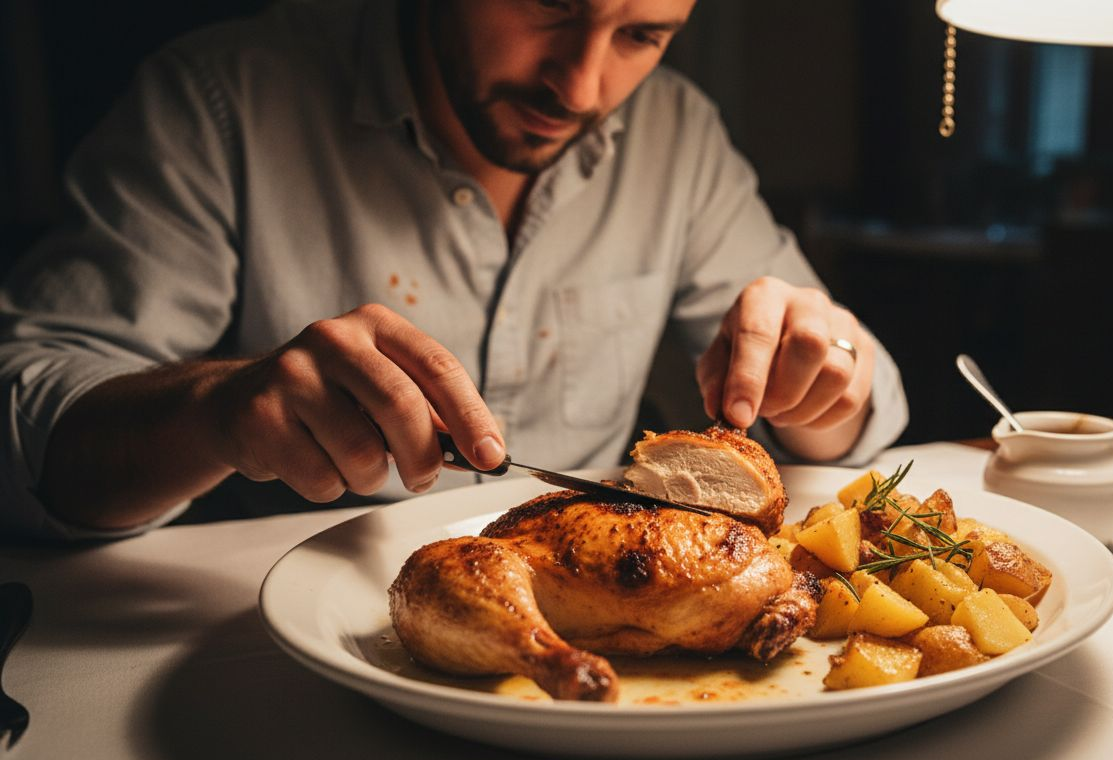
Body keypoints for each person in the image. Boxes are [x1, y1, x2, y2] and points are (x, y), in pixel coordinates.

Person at [0, 0, 908, 540]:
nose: (579, 88)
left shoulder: (679, 136)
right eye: (550, 3)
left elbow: (858, 409)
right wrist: (215, 409)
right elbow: (23, 436)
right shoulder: (221, 100)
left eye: (641, 33)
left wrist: (822, 374)